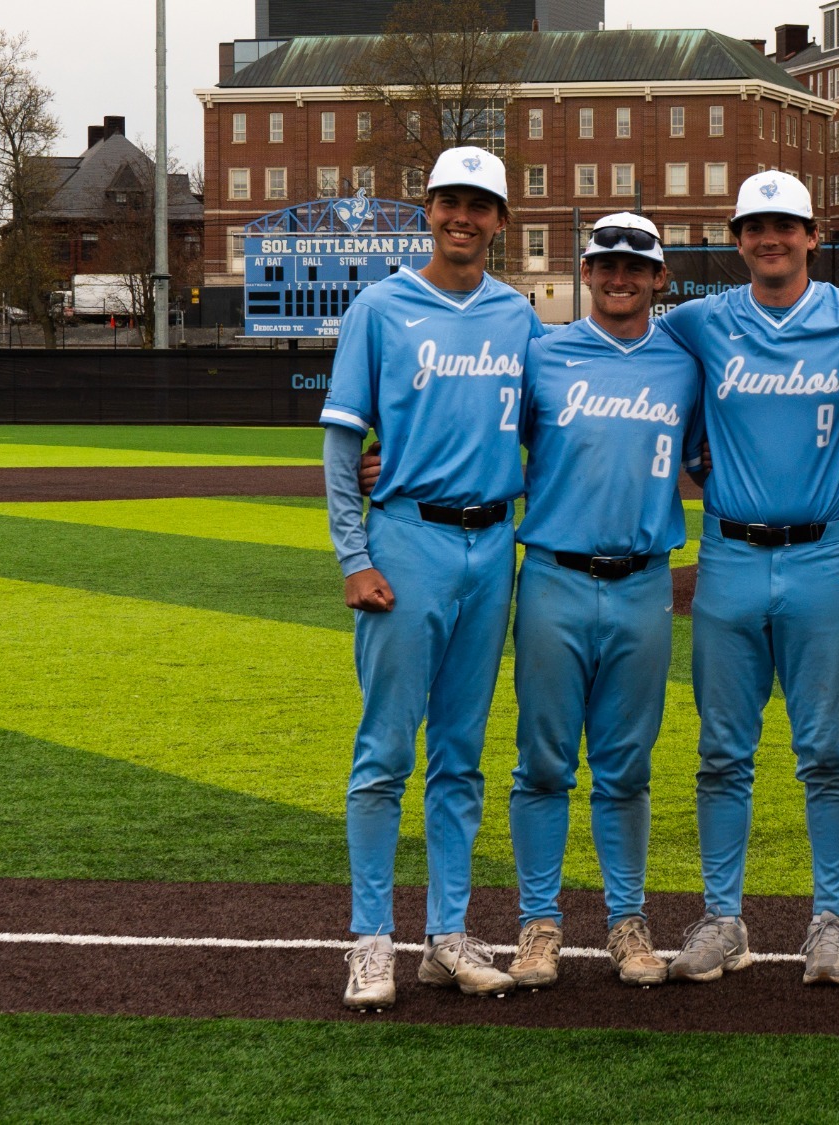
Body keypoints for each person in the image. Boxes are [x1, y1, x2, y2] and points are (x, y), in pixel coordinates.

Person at [654, 170, 839, 986]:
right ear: (737, 239)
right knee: (721, 751)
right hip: (728, 555)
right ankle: (723, 918)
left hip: (822, 555)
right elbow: (614, 356)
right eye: (754, 226)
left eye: (785, 224)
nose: (770, 238)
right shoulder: (699, 320)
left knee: (826, 750)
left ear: (813, 232)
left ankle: (831, 920)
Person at [322, 146, 541, 1012]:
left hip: (493, 550)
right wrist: (354, 555)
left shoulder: (520, 315)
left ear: (499, 220)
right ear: (427, 208)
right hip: (407, 541)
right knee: (383, 753)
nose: (464, 217)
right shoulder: (380, 306)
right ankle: (370, 940)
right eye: (451, 200)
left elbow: (547, 432)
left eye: (480, 204)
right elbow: (344, 445)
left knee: (461, 756)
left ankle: (446, 935)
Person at [497, 213, 703, 991]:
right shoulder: (542, 355)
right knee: (543, 763)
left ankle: (627, 920)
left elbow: (719, 449)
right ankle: (539, 923)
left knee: (625, 766)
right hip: (552, 575)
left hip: (643, 581)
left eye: (635, 265)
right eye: (605, 263)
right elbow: (486, 438)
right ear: (586, 271)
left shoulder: (684, 363)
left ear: (660, 277)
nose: (619, 276)